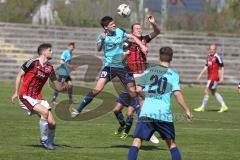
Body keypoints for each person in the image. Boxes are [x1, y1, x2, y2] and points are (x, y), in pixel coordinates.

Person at [71, 16, 148, 117]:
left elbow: (132, 37)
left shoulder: (120, 31)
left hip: (121, 67)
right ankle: (78, 110)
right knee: (97, 90)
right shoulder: (102, 36)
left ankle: (143, 120)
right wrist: (102, 40)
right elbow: (98, 48)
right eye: (111, 24)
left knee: (133, 93)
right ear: (105, 27)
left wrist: (142, 46)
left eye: (114, 23)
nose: (114, 25)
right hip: (109, 67)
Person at [128, 46, 192, 160]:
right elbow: (177, 94)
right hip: (163, 115)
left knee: (137, 141)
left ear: (159, 57)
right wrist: (187, 110)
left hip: (147, 112)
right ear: (171, 58)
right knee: (171, 144)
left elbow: (138, 89)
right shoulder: (174, 75)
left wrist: (147, 97)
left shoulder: (149, 71)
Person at [11, 43, 68, 150]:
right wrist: (15, 92)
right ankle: (44, 140)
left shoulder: (50, 68)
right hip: (25, 96)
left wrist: (65, 88)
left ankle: (51, 142)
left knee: (52, 123)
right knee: (45, 113)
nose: (52, 52)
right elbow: (19, 75)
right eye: (50, 50)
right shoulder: (32, 63)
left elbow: (57, 86)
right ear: (44, 52)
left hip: (38, 97)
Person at [113, 15, 160, 142]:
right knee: (122, 106)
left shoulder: (144, 39)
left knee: (138, 100)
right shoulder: (128, 42)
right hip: (129, 75)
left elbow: (157, 32)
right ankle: (132, 126)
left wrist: (153, 23)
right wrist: (124, 54)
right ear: (132, 31)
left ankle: (149, 130)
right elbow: (119, 58)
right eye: (137, 28)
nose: (139, 29)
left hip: (140, 73)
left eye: (140, 28)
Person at [194, 44, 228, 113]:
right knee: (214, 92)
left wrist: (222, 77)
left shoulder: (217, 57)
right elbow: (206, 66)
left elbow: (222, 67)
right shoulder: (208, 56)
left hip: (214, 77)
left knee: (206, 91)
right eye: (211, 49)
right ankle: (224, 106)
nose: (212, 50)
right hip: (209, 77)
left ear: (215, 50)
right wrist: (200, 74)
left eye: (213, 49)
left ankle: (202, 107)